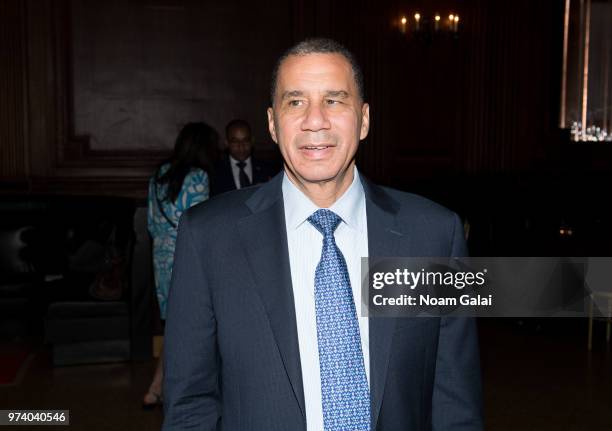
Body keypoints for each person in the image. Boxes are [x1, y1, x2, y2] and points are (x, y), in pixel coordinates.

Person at [163, 39, 483, 430]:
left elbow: (455, 401)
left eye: (334, 100)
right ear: (272, 123)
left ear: (363, 120)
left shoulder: (433, 234)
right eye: (295, 102)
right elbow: (190, 406)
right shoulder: (209, 238)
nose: (316, 120)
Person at [143, 121, 217, 409]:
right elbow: (202, 224)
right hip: (189, 257)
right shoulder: (199, 176)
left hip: (161, 256)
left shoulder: (159, 174)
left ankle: (160, 387)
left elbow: (150, 223)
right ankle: (162, 387)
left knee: (174, 323)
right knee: (188, 326)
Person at [209, 119, 277, 195]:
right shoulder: (215, 171)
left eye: (246, 140)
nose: (241, 146)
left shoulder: (267, 168)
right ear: (227, 143)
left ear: (252, 141)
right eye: (235, 141)